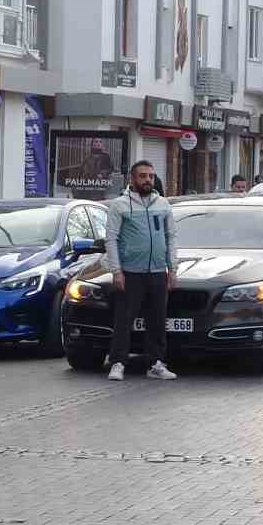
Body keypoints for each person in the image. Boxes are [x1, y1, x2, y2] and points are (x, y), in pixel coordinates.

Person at [103, 160, 179, 382]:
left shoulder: (163, 204)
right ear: (132, 179)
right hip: (130, 272)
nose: (147, 180)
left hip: (157, 272)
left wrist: (172, 269)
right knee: (124, 319)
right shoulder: (120, 205)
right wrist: (117, 271)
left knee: (157, 320)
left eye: (151, 176)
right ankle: (118, 362)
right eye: (143, 176)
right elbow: (111, 239)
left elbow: (171, 237)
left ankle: (156, 364)